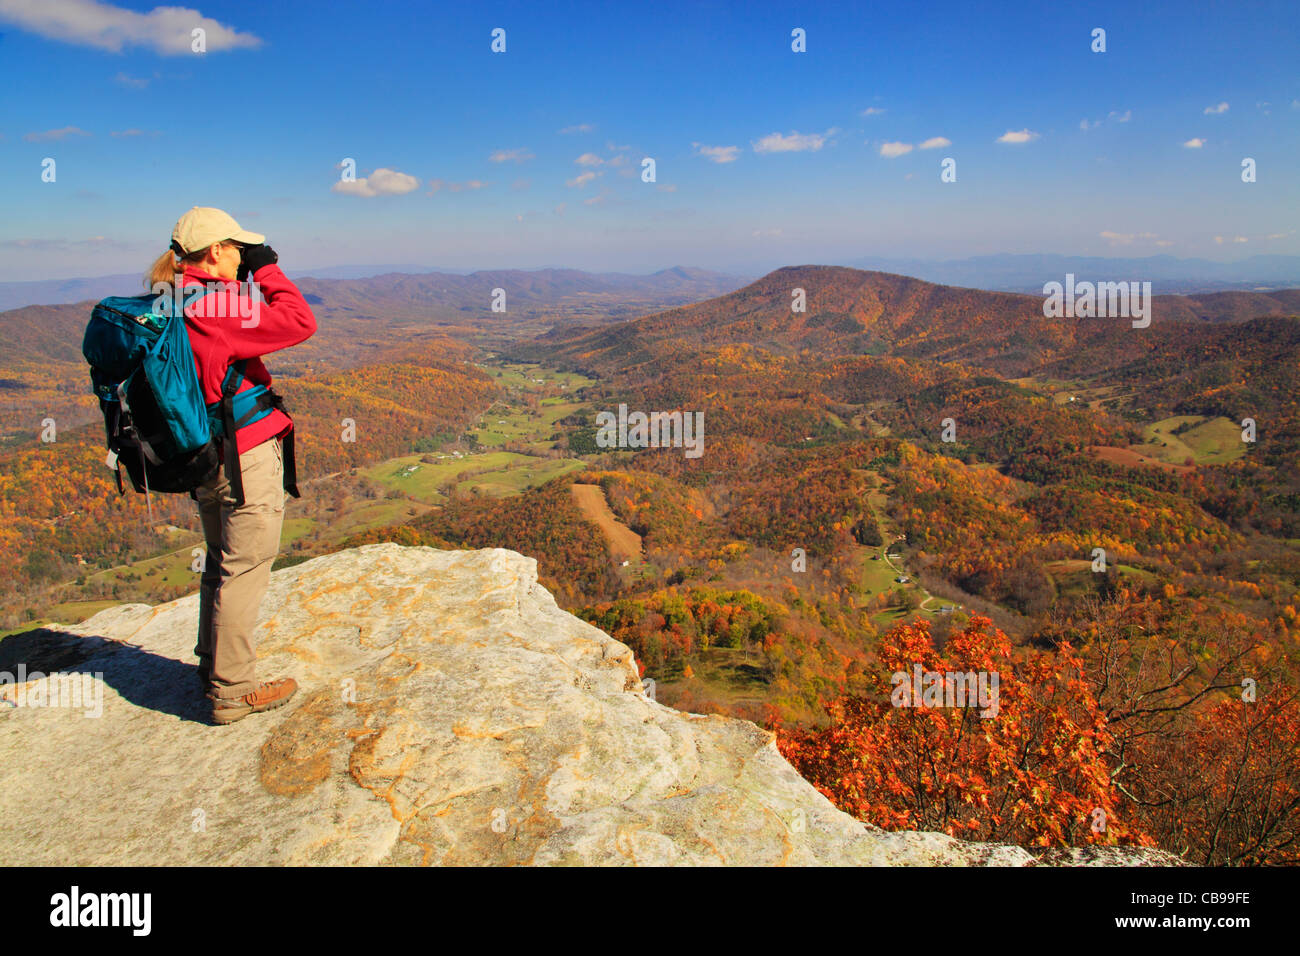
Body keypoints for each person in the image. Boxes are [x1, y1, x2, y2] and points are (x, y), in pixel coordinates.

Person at [145, 206, 317, 725]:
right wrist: (267, 270)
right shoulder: (217, 304)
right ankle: (233, 690)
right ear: (217, 250)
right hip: (243, 455)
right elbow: (299, 321)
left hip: (201, 454)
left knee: (221, 560)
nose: (244, 255)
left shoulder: (169, 298)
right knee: (245, 567)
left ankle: (211, 666)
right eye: (239, 247)